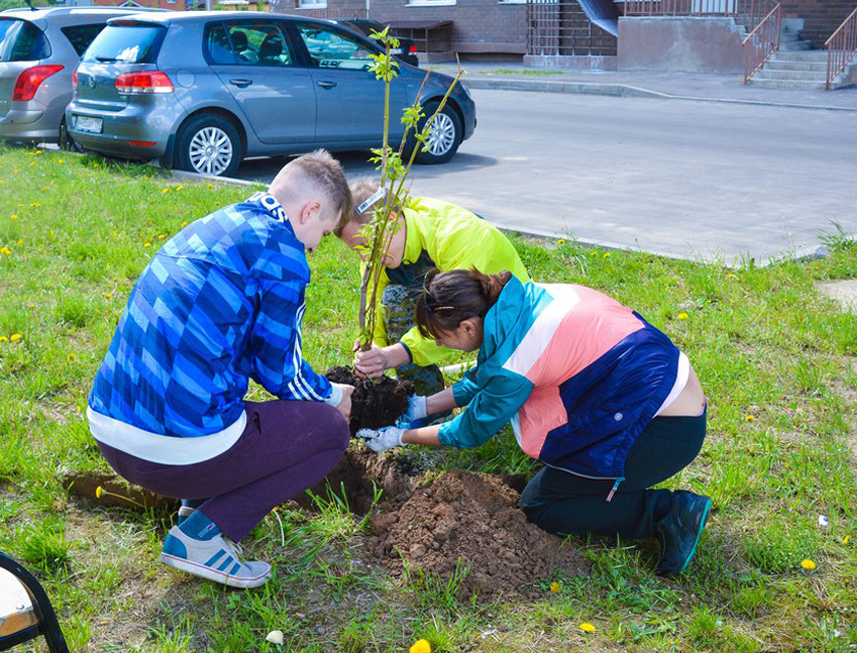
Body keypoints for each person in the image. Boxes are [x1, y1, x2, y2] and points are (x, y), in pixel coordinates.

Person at [86, 151, 355, 589]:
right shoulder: (283, 253)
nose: (316, 246)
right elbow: (278, 370)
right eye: (322, 232)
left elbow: (240, 349)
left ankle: (200, 505)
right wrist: (333, 395)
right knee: (328, 431)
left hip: (109, 428)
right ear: (310, 210)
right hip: (169, 454)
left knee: (214, 391)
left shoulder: (218, 223)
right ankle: (203, 538)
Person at [357, 269, 711, 576]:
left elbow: (469, 431)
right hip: (667, 393)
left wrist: (400, 437)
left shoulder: (515, 359)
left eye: (441, 337)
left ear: (467, 326)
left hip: (664, 431)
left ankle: (669, 513)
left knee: (542, 506)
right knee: (556, 469)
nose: (439, 343)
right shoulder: (527, 301)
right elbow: (488, 375)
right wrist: (421, 406)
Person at [341, 180, 528, 411]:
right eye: (356, 250)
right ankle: (424, 403)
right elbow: (373, 308)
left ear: (389, 222)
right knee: (393, 297)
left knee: (507, 393)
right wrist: (373, 352)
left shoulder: (458, 235)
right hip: (460, 309)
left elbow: (454, 315)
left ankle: (431, 408)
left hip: (511, 321)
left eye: (365, 246)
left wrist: (395, 354)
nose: (364, 259)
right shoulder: (378, 254)